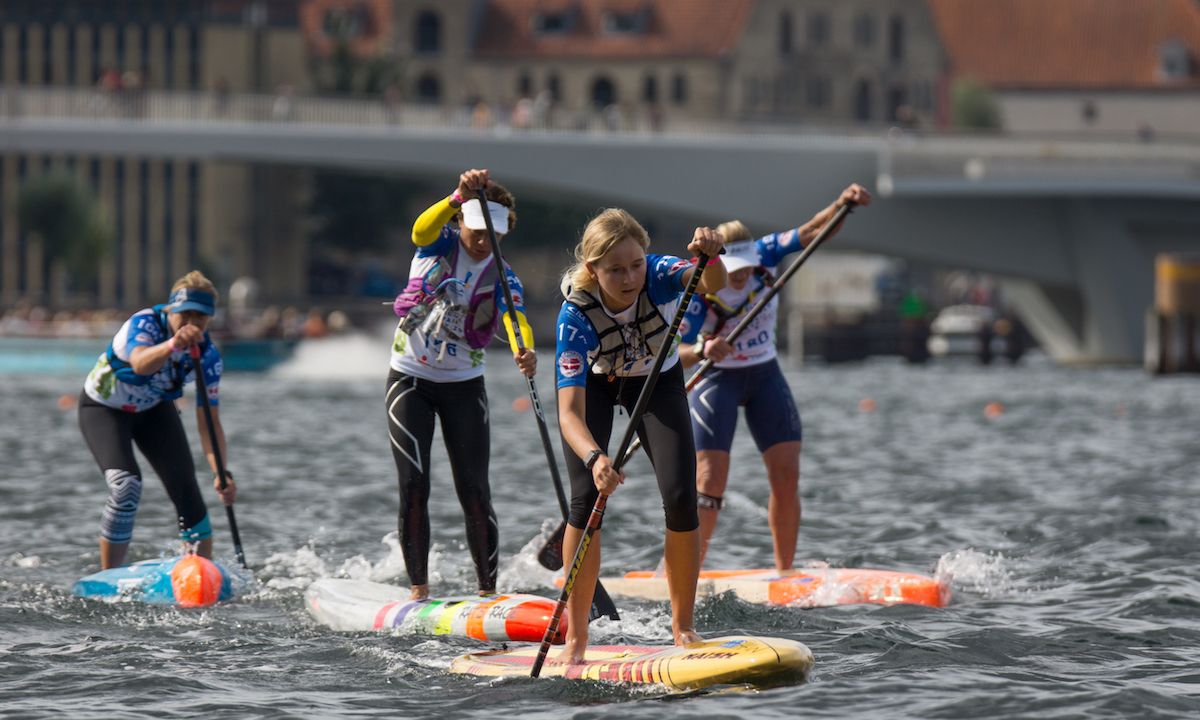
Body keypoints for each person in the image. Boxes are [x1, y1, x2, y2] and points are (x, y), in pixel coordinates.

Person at [554, 208, 726, 662]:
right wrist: (596, 459)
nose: (629, 278)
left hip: (657, 380)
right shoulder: (574, 316)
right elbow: (569, 415)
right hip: (597, 382)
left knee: (680, 495)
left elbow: (713, 283)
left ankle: (683, 628)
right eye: (615, 270)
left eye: (635, 265)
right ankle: (577, 638)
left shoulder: (663, 274)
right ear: (593, 270)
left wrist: (710, 255)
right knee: (584, 502)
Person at [678, 184, 872, 571]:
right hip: (718, 379)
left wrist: (842, 204)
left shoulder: (765, 251)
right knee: (711, 480)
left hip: (765, 374)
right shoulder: (700, 289)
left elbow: (817, 230)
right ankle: (687, 572)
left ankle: (785, 571)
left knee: (786, 473)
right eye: (734, 270)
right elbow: (671, 355)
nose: (744, 275)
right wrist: (701, 350)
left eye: (747, 267)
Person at [388, 168, 537, 601]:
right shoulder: (439, 242)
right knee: (415, 486)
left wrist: (523, 349)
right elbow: (419, 228)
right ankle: (418, 591)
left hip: (464, 386)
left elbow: (517, 321)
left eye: (491, 234)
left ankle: (487, 593)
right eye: (475, 230)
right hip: (410, 378)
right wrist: (456, 196)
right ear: (461, 223)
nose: (482, 240)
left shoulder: (505, 278)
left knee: (474, 491)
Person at [78, 271, 236, 570]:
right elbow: (140, 364)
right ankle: (108, 574)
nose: (192, 323)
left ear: (210, 320)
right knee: (126, 486)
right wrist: (173, 344)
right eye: (185, 315)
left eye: (200, 318)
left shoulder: (208, 356)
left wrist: (222, 472)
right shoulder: (143, 324)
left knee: (186, 488)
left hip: (154, 410)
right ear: (170, 310)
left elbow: (209, 422)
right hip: (104, 409)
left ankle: (200, 576)